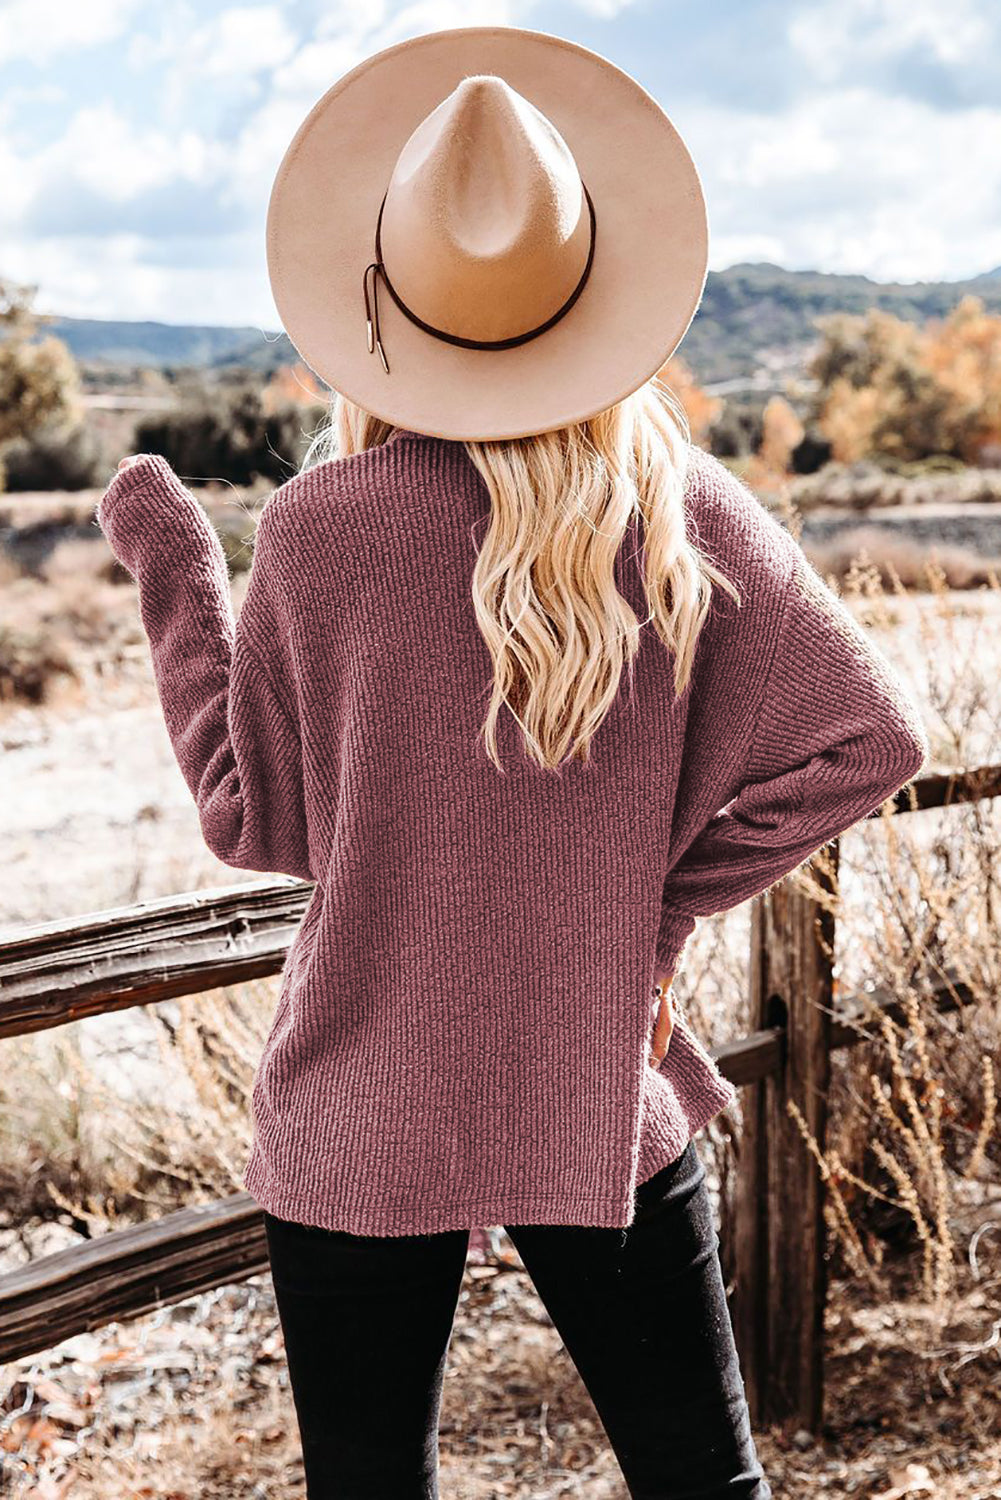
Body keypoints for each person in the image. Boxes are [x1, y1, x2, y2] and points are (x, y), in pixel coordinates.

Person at [98, 26, 929, 1500]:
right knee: (701, 1484)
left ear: (381, 306)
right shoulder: (678, 510)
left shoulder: (319, 529)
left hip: (359, 1103)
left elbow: (251, 818)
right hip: (596, 1083)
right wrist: (652, 912)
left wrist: (175, 568)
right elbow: (872, 742)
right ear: (588, 293)